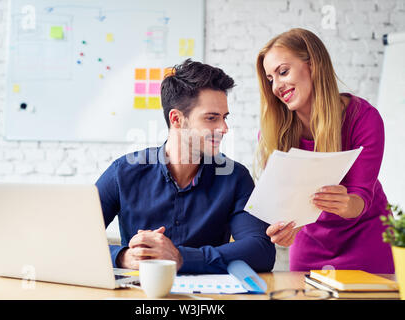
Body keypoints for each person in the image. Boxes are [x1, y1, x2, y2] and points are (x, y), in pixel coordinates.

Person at [96, 59, 275, 273]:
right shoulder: (124, 172)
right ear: (177, 119)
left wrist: (181, 257)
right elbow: (73, 238)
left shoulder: (235, 177)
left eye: (224, 118)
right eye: (211, 118)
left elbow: (261, 250)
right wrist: (122, 257)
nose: (224, 128)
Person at [255, 28, 394, 273]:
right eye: (270, 79)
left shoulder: (364, 118)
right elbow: (288, 207)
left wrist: (344, 203)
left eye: (283, 72)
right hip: (312, 247)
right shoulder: (274, 133)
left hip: (368, 240)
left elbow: (360, 198)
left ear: (313, 64)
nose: (276, 86)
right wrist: (287, 229)